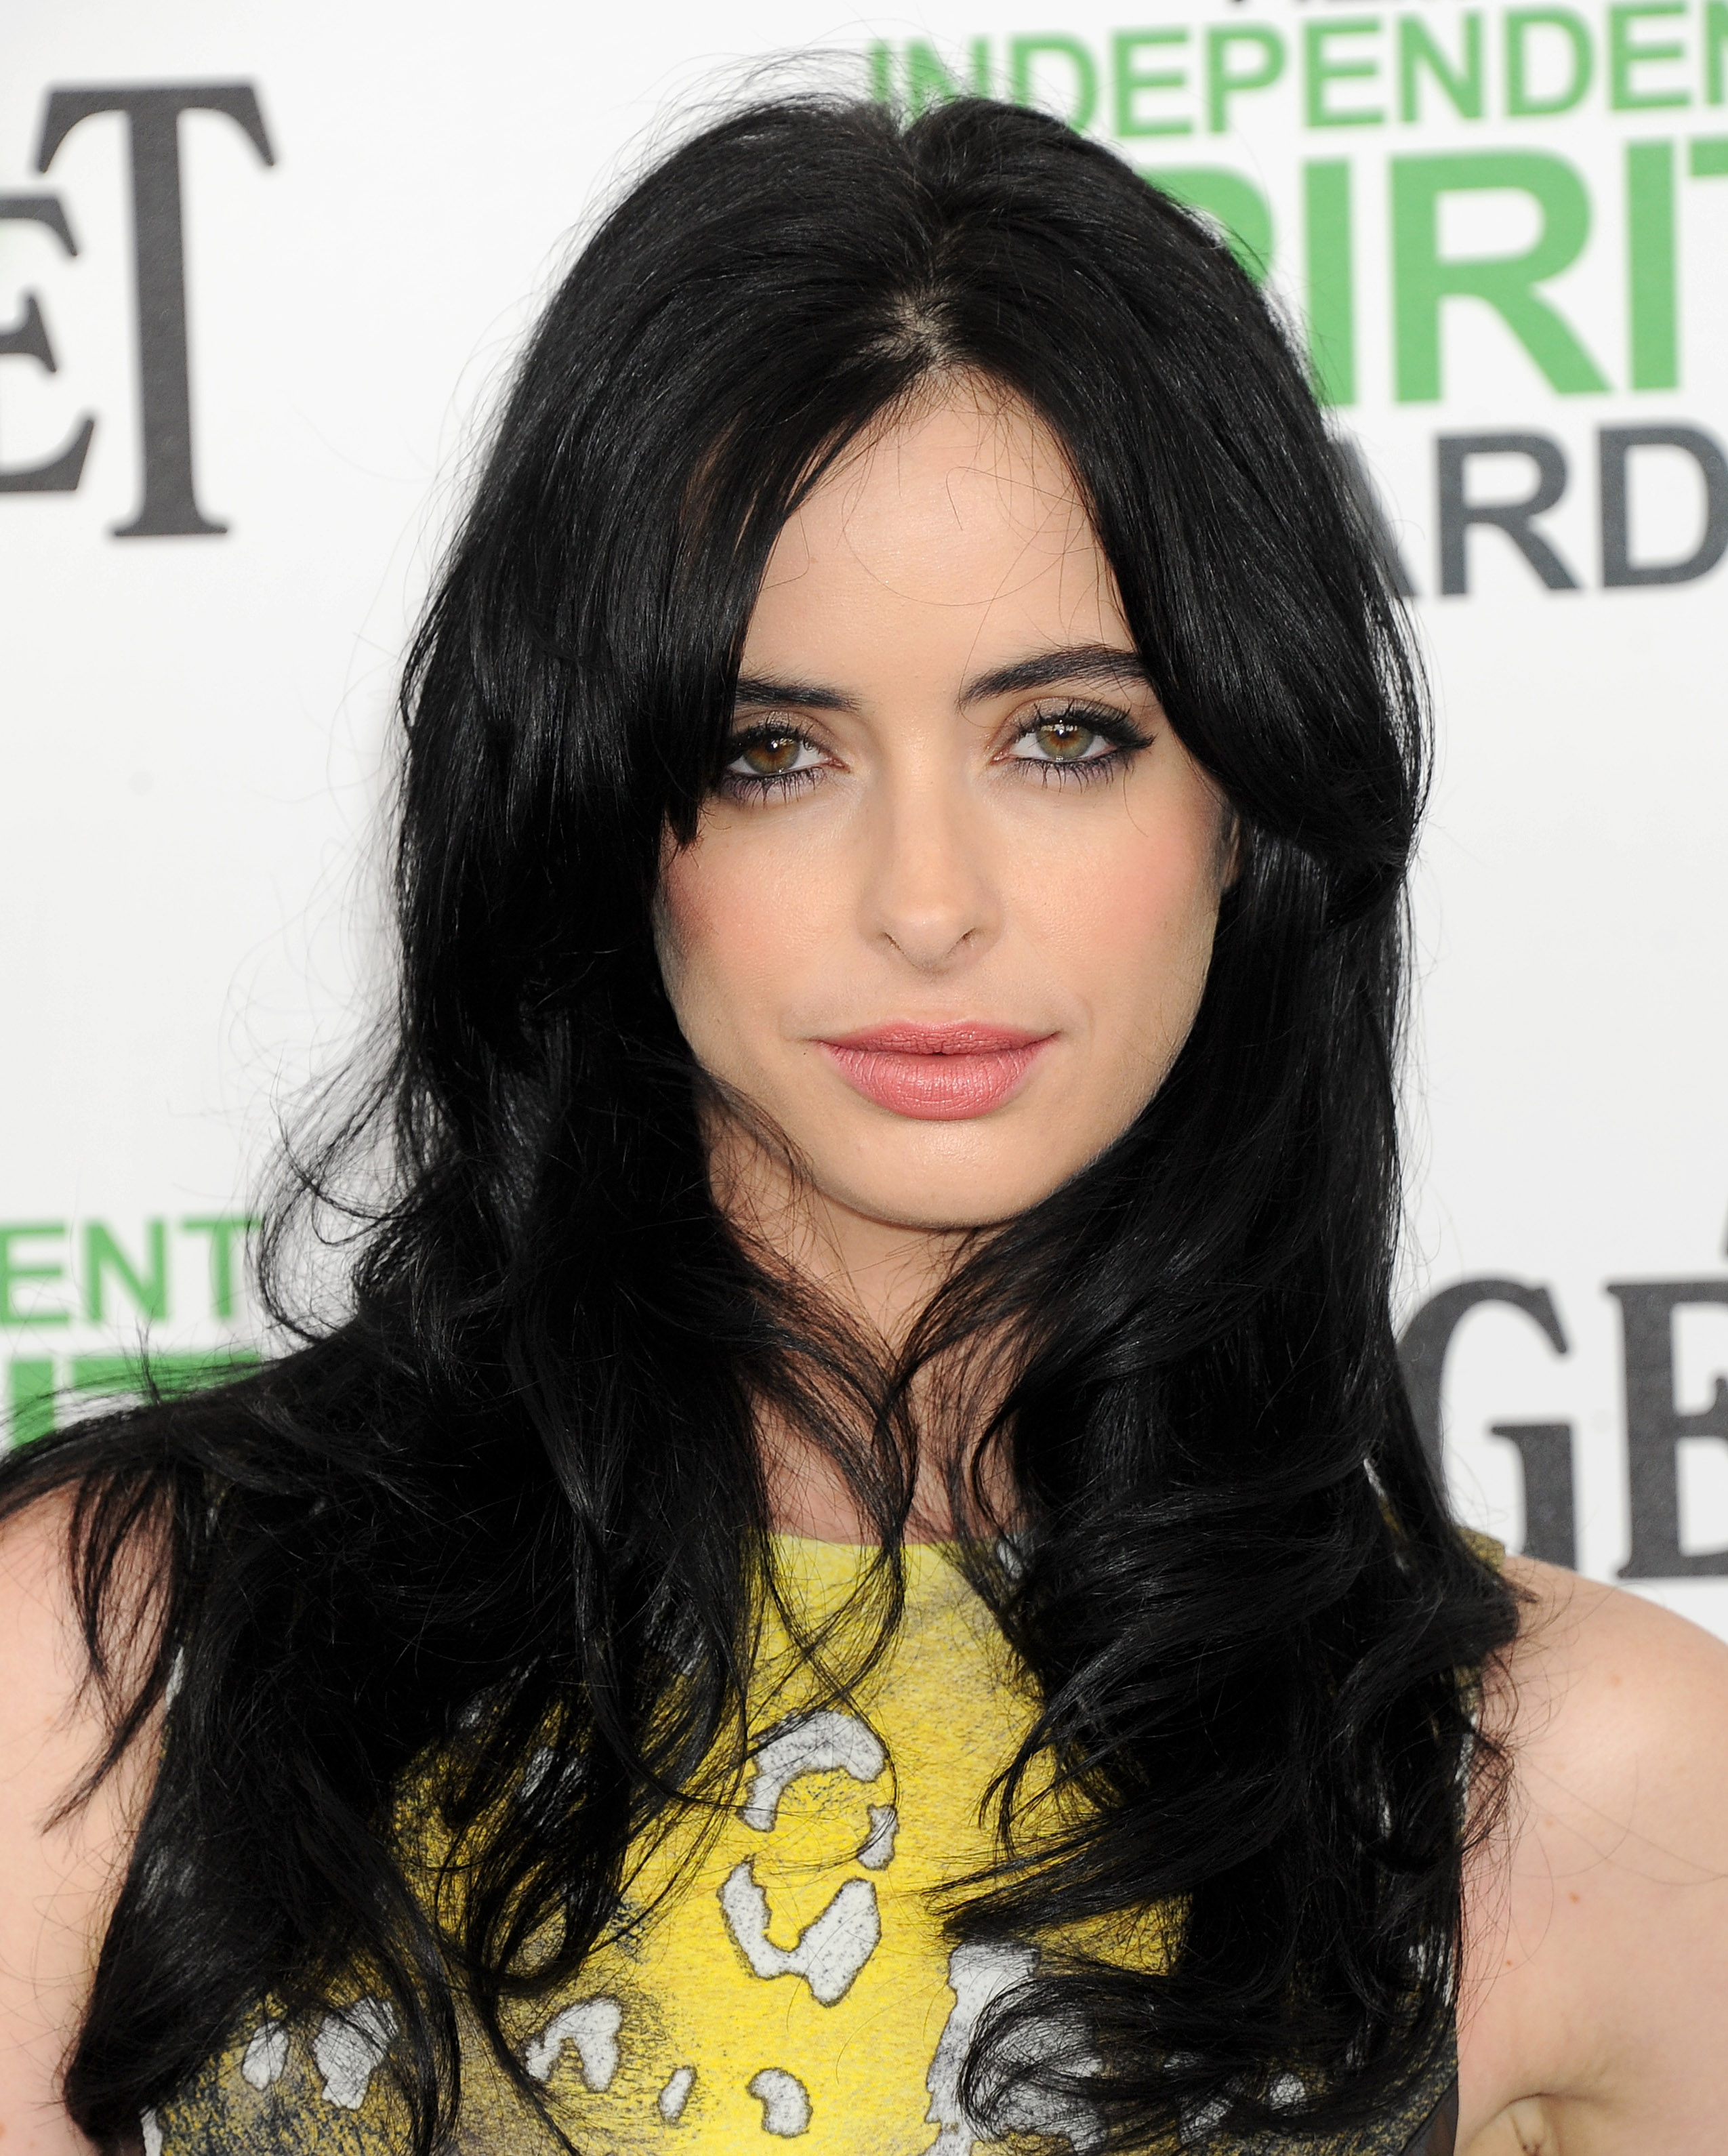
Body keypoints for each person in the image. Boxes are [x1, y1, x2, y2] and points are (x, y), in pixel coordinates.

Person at [1, 92, 1725, 2156]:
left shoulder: (1575, 1785)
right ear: (593, 816)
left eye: (1066, 737)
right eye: (773, 751)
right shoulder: (118, 1664)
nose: (927, 900)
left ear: (1250, 810)